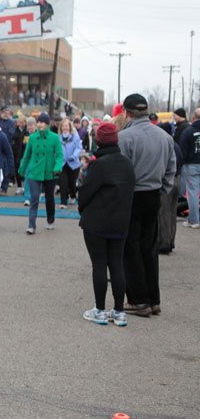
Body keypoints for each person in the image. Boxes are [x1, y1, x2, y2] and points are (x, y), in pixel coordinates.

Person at [117, 94, 176, 317]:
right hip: (153, 194)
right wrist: (163, 189)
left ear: (126, 112)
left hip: (133, 195)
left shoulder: (124, 137)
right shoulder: (164, 137)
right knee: (149, 247)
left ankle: (139, 300)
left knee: (130, 248)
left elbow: (121, 173)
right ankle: (154, 298)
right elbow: (171, 168)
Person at [78, 123, 135, 326]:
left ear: (99, 140)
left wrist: (82, 209)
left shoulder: (99, 165)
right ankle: (119, 311)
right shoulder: (127, 164)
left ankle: (100, 310)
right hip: (120, 222)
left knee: (100, 265)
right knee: (117, 264)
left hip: (97, 223)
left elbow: (85, 192)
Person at [19, 113, 63, 234]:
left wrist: (57, 168)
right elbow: (27, 155)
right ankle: (31, 225)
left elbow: (59, 155)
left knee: (49, 198)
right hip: (35, 172)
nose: (39, 124)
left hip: (50, 172)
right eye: (38, 122)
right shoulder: (32, 138)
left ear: (47, 124)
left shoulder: (54, 138)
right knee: (34, 199)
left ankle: (50, 220)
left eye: (42, 122)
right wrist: (21, 170)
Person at [156, 122, 183, 254]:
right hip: (177, 179)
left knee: (164, 212)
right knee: (172, 212)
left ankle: (164, 243)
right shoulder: (175, 144)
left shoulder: (165, 144)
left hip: (168, 180)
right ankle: (170, 240)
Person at [178, 108, 200, 228]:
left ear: (193, 118)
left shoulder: (188, 132)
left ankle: (194, 220)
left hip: (191, 164)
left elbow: (183, 150)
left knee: (192, 193)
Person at [58, 118, 82, 209]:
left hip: (73, 164)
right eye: (63, 126)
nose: (65, 128)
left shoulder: (74, 136)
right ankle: (63, 202)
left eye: (66, 126)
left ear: (69, 127)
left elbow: (79, 148)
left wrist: (74, 156)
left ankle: (72, 195)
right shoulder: (58, 138)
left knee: (72, 183)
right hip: (63, 164)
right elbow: (56, 150)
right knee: (63, 183)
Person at [11, 115, 29, 194]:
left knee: (25, 171)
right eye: (19, 122)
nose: (21, 124)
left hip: (24, 153)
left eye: (22, 123)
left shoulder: (27, 132)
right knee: (17, 170)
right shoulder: (15, 131)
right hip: (16, 153)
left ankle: (25, 187)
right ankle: (19, 186)